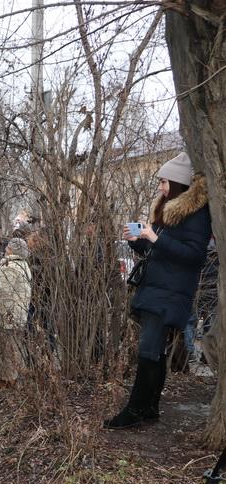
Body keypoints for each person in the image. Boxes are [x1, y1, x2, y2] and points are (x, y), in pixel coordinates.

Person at [105, 152, 212, 429]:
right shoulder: (169, 212)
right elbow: (157, 251)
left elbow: (194, 256)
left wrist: (154, 237)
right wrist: (136, 240)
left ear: (177, 183)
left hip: (170, 293)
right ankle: (150, 408)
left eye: (164, 182)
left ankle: (135, 410)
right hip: (158, 290)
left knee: (148, 351)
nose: (161, 187)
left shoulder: (196, 215)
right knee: (155, 351)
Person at [0, 238, 33, 391]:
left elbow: (2, 294)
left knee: (4, 349)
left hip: (6, 316)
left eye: (7, 247)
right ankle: (10, 379)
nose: (5, 248)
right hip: (17, 314)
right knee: (12, 347)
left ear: (11, 249)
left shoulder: (9, 267)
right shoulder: (23, 265)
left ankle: (6, 381)